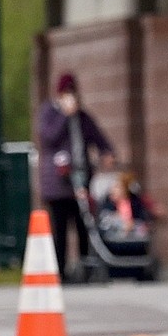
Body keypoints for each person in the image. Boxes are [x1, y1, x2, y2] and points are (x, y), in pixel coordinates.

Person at [35, 72, 115, 279]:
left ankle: (85, 268)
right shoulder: (49, 113)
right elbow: (48, 137)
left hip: (80, 180)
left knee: (83, 224)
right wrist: (64, 115)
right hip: (58, 182)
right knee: (60, 228)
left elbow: (98, 136)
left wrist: (107, 152)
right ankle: (59, 271)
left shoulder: (82, 117)